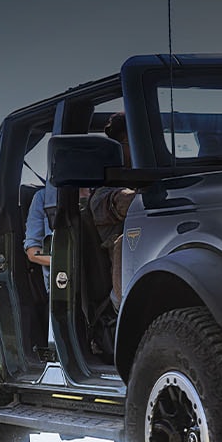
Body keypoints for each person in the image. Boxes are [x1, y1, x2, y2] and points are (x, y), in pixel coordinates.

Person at [88, 112, 137, 308]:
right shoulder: (103, 195)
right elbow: (125, 201)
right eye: (132, 142)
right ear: (116, 148)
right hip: (128, 294)